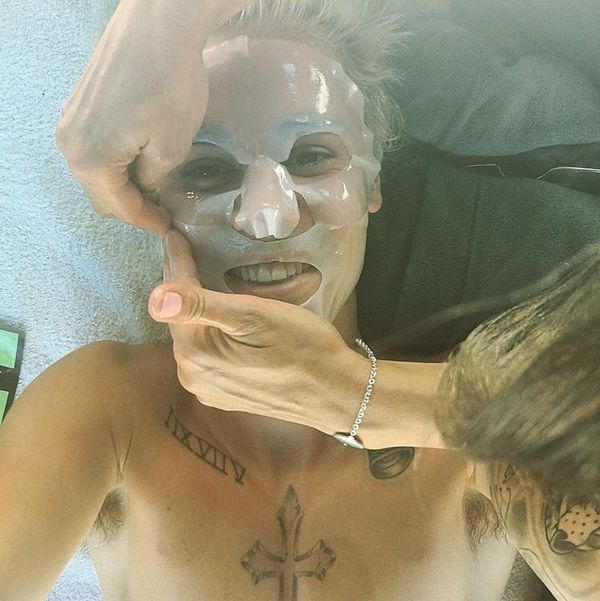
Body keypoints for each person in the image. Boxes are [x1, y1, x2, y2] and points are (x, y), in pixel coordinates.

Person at [1, 2, 598, 601]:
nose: (268, 216)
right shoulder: (107, 407)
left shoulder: (471, 430)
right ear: (152, 204)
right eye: (207, 171)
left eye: (311, 157)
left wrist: (357, 397)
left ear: (372, 182)